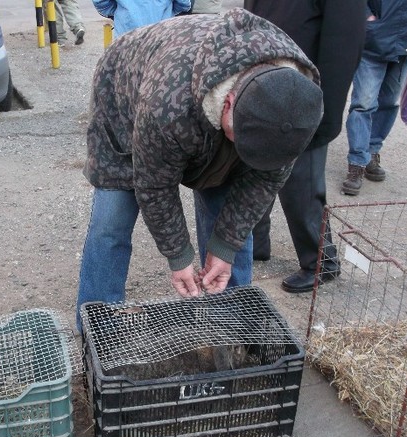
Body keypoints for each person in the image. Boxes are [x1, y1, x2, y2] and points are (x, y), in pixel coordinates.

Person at [76, 8, 324, 329]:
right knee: (112, 219)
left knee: (229, 222)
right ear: (231, 101)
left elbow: (260, 185)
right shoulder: (166, 105)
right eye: (241, 139)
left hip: (208, 104)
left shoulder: (293, 106)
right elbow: (155, 186)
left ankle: (231, 324)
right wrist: (178, 256)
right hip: (127, 93)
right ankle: (97, 329)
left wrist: (224, 247)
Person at [242, 0, 366, 293]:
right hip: (265, 86)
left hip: (305, 94)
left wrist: (326, 110)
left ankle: (321, 261)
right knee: (254, 167)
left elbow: (345, 43)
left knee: (302, 183)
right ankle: (256, 242)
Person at [342, 0, 407, 196]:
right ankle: (357, 162)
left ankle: (372, 151)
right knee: (364, 103)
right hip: (374, 36)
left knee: (390, 102)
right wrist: (365, 15)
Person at [92, 0, 191, 37]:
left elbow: (100, 2)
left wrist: (117, 12)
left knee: (125, 75)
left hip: (127, 34)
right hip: (161, 35)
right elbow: (184, 4)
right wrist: (169, 12)